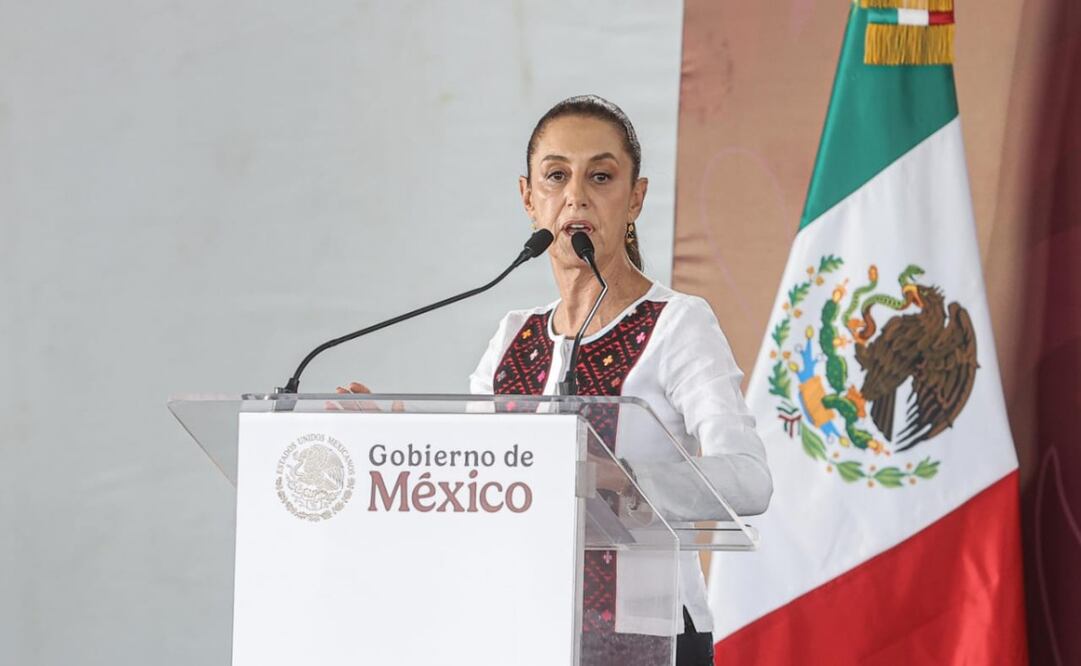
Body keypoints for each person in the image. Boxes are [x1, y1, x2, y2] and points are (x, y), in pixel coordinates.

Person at [466, 95, 773, 666]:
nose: (576, 195)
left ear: (636, 198)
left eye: (601, 176)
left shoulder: (676, 322)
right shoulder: (513, 335)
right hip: (521, 632)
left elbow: (749, 480)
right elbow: (470, 480)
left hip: (645, 637)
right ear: (529, 199)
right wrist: (381, 444)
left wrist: (623, 478)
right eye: (556, 176)